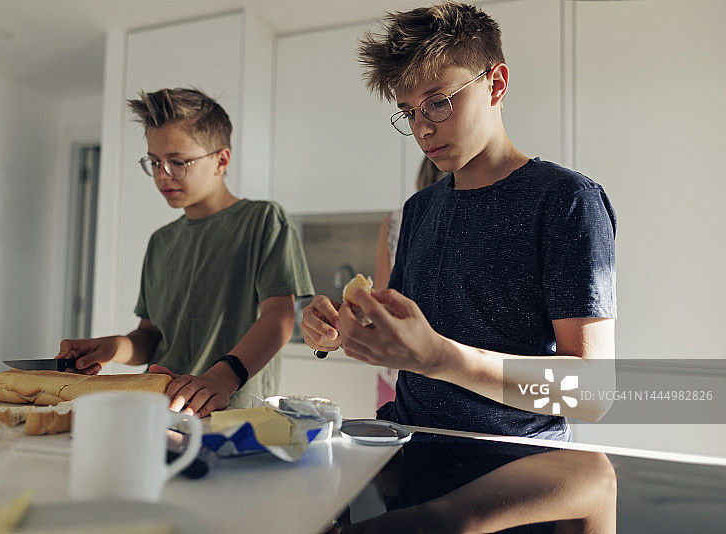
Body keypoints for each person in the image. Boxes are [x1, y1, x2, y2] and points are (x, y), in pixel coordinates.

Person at [302, 2, 616, 440]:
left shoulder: (566, 200)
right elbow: (399, 338)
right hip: (407, 444)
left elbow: (592, 396)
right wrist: (338, 334)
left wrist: (443, 359)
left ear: (496, 84)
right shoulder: (419, 210)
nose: (422, 128)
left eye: (437, 102)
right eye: (409, 111)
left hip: (511, 462)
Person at [57, 88, 314, 418]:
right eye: (154, 162)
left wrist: (220, 379)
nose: (163, 175)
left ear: (221, 160)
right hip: (160, 409)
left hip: (232, 416)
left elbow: (280, 318)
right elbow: (149, 337)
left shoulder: (263, 220)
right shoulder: (161, 242)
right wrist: (112, 348)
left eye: (178, 162)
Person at [373, 157, 446, 408]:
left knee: (390, 444)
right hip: (449, 376)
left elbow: (381, 299)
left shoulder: (395, 220)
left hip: (396, 369)